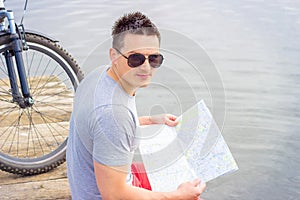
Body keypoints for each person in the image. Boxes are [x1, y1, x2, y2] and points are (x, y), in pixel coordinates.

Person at [66, 11, 206, 200]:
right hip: (109, 193)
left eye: (154, 59)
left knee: (176, 172)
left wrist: (150, 120)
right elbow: (114, 195)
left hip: (89, 186)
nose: (146, 67)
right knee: (190, 193)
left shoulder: (98, 76)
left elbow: (100, 131)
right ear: (114, 56)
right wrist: (176, 196)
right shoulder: (113, 113)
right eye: (136, 59)